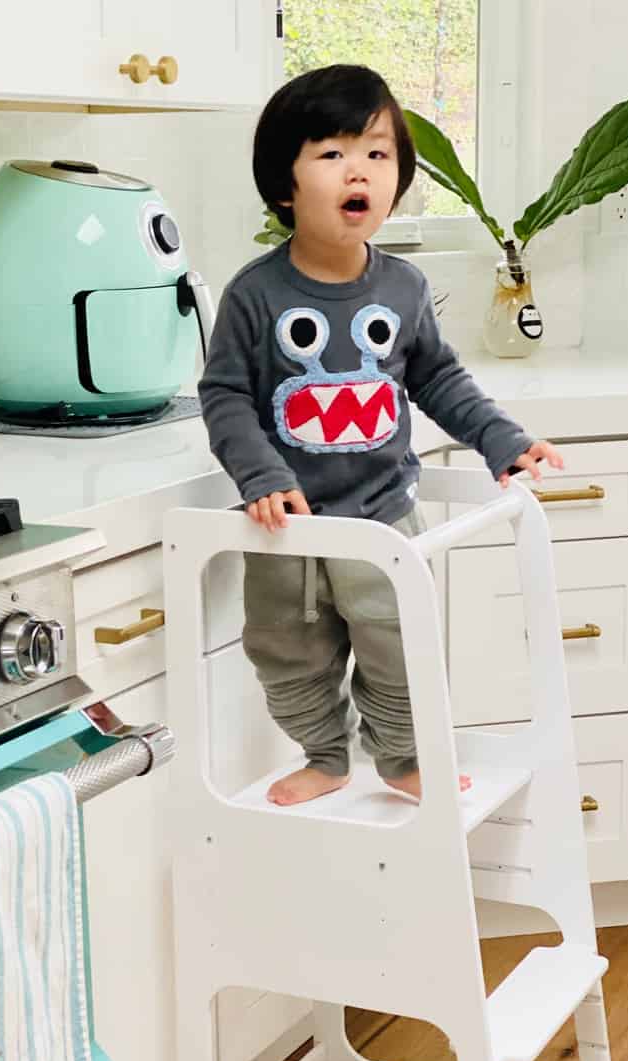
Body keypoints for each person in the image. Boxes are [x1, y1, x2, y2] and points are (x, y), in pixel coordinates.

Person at [199, 63, 563, 807]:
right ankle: (325, 755)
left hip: (382, 515)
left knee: (399, 649)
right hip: (289, 528)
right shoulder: (254, 294)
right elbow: (225, 395)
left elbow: (438, 379)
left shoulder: (403, 288)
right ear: (284, 183)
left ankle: (401, 758)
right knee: (285, 652)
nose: (357, 170)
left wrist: (502, 439)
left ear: (396, 180)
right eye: (331, 154)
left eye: (376, 153)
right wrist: (261, 475)